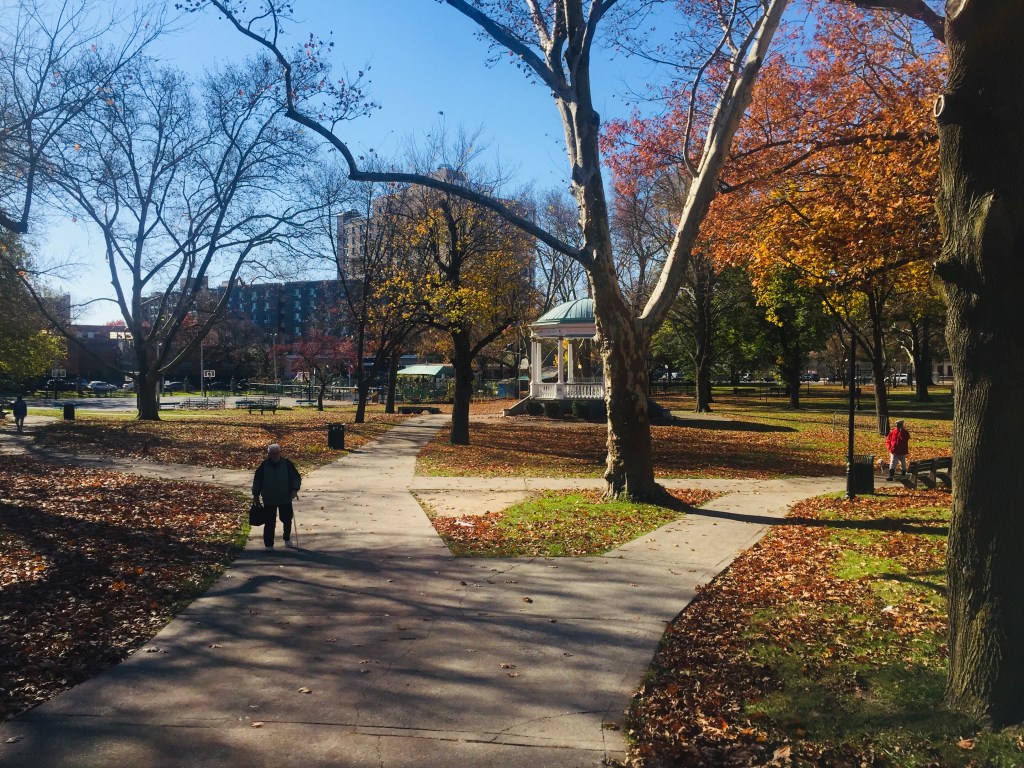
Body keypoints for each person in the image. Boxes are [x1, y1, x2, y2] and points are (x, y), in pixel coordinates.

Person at [252, 443, 301, 550]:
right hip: (269, 499)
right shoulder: (263, 466)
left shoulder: (287, 464)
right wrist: (255, 494)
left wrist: (294, 490)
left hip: (285, 497)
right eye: (272, 454)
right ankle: (269, 545)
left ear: (280, 453)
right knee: (269, 522)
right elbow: (257, 481)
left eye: (277, 453)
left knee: (287, 519)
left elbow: (296, 478)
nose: (275, 456)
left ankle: (287, 539)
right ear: (268, 454)